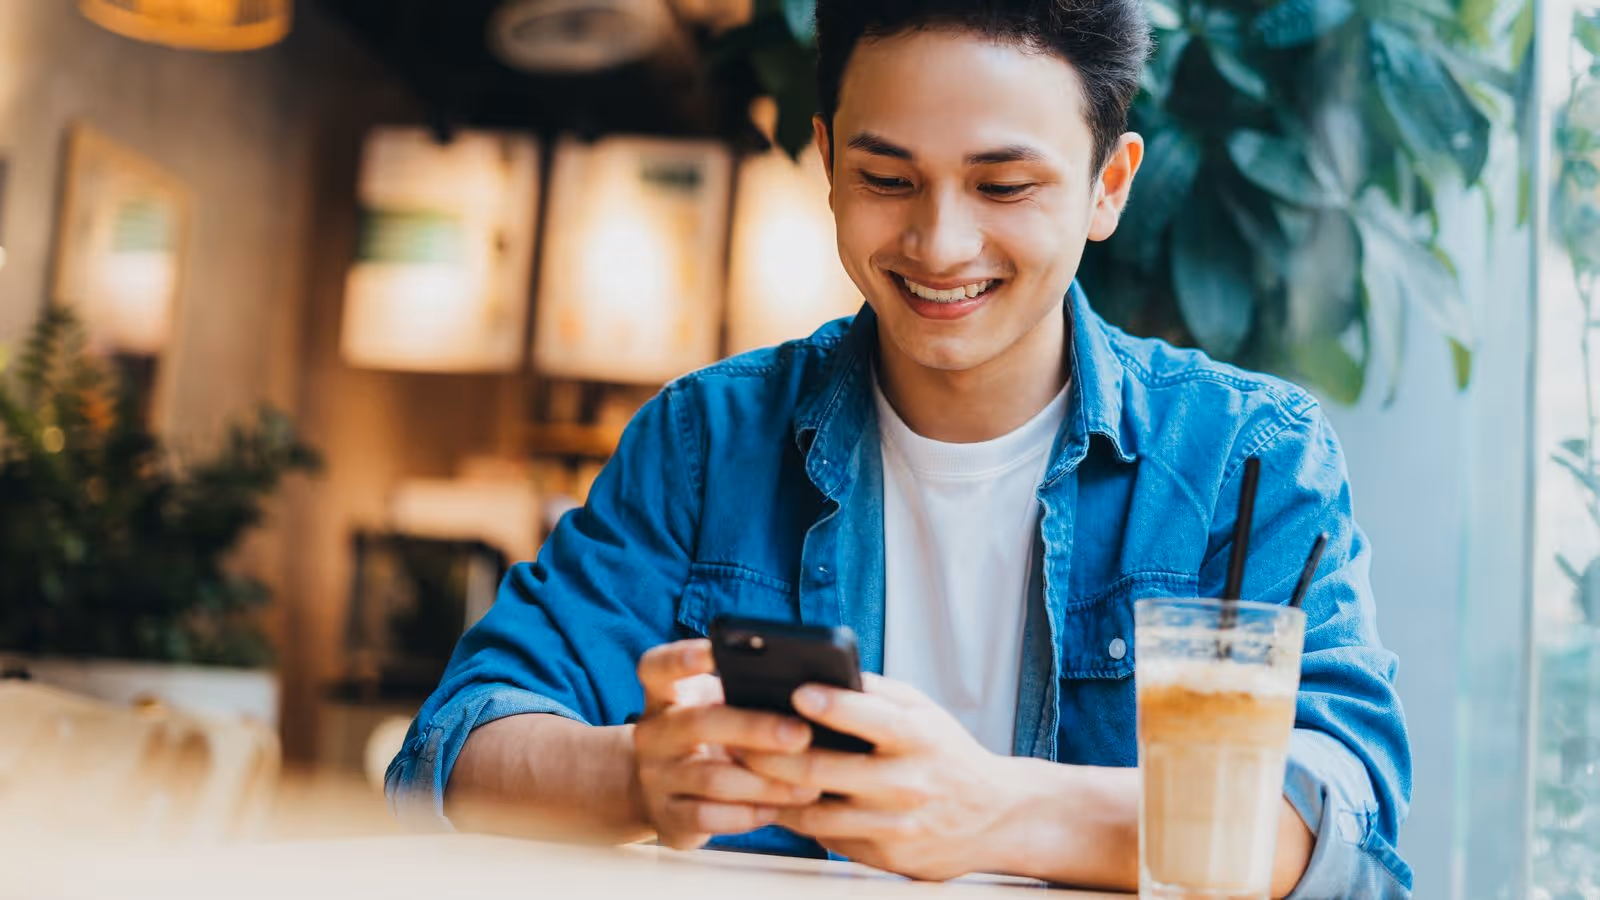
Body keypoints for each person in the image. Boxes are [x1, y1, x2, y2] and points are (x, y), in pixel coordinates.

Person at [387, 1, 1412, 896]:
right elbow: (452, 754)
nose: (939, 244)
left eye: (1003, 186)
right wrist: (636, 776)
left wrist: (993, 810)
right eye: (887, 177)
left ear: (1109, 184)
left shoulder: (1251, 458)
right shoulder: (707, 441)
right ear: (827, 163)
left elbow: (1339, 830)